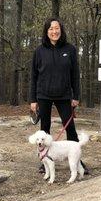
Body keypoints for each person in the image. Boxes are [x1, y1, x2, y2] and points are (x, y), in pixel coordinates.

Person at [29, 17, 89, 175]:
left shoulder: (70, 49)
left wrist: (76, 96)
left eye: (56, 28)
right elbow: (34, 76)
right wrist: (33, 100)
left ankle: (77, 161)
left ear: (61, 30)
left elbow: (75, 74)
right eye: (50, 29)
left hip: (64, 95)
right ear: (46, 31)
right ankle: (45, 161)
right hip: (44, 95)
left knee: (70, 129)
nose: (54, 31)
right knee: (44, 129)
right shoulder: (39, 51)